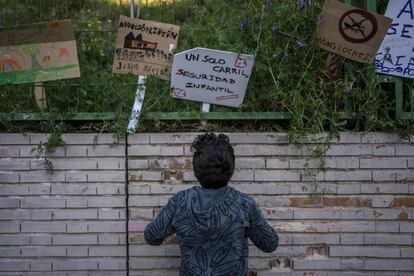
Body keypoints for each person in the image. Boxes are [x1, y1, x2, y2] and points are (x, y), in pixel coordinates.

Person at [144, 133, 279, 275]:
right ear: (231, 169)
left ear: (196, 171)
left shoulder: (180, 202)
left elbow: (151, 236)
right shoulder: (244, 204)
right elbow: (270, 244)